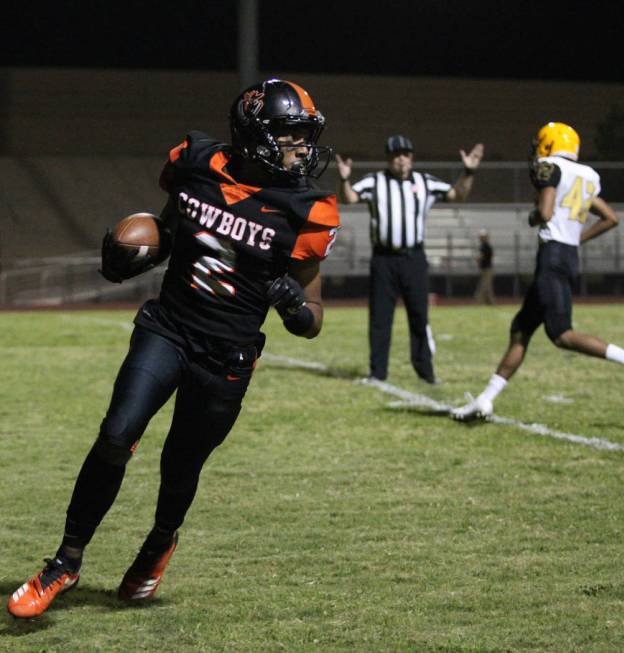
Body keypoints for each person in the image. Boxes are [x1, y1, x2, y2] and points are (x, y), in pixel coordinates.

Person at [7, 78, 340, 618]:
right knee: (116, 434)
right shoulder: (197, 162)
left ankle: (160, 542)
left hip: (227, 355)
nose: (301, 149)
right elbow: (168, 230)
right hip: (168, 328)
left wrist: (293, 306)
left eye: (305, 136)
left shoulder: (306, 208)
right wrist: (130, 256)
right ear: (256, 136)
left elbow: (314, 321)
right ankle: (65, 562)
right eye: (290, 136)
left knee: (180, 466)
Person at [452, 122, 624, 422]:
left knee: (561, 334)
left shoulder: (549, 167)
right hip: (566, 255)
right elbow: (611, 217)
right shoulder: (586, 175)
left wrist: (534, 217)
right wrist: (576, 239)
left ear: (548, 144)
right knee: (521, 330)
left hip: (553, 256)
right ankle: (485, 400)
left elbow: (545, 212)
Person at [335, 136, 484, 384]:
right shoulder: (375, 181)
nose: (401, 159)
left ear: (411, 157)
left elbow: (458, 195)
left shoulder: (424, 181)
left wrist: (468, 171)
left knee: (419, 315)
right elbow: (349, 198)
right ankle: (377, 373)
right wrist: (343, 178)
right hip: (383, 259)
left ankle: (426, 372)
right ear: (388, 159)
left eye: (405, 154)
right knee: (380, 318)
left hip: (413, 258)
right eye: (395, 155)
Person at [474, 228, 496, 305]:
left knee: (484, 287)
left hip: (487, 269)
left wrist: (477, 259)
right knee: (488, 288)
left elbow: (480, 257)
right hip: (486, 269)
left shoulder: (485, 246)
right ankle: (491, 304)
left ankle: (479, 303)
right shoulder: (485, 246)